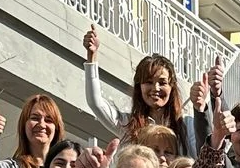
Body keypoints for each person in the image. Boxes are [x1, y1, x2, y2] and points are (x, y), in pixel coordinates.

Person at [82, 28, 199, 157]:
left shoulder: (186, 125)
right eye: (148, 82)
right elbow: (95, 103)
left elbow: (202, 155)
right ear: (139, 87)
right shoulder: (128, 125)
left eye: (162, 82)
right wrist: (91, 57)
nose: (156, 88)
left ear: (172, 87)